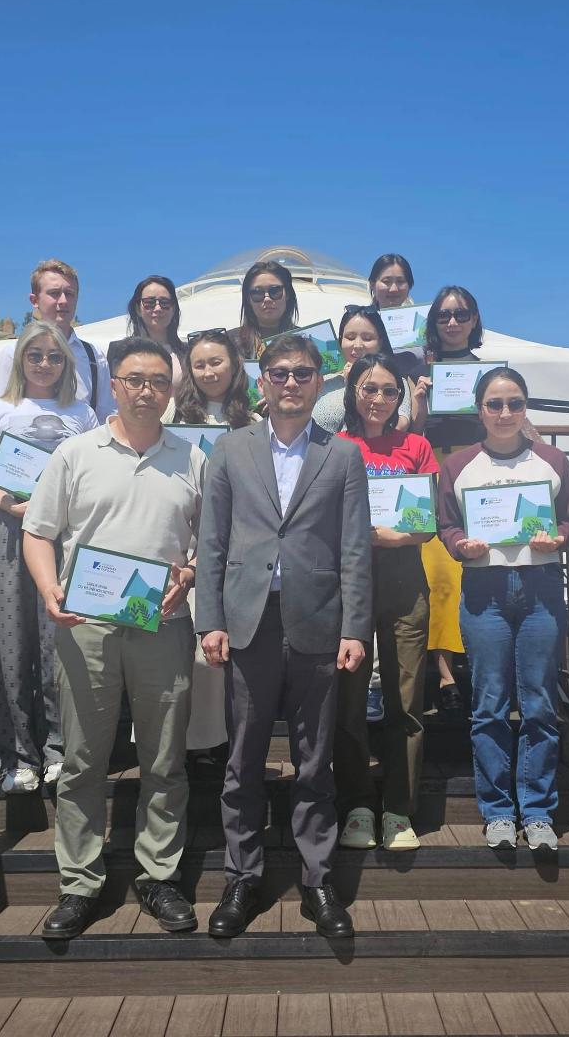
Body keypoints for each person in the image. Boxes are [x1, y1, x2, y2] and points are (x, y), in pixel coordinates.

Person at [22, 337, 205, 939]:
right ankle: (80, 882)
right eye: (135, 380)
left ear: (171, 390)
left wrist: (190, 572)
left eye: (158, 381)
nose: (147, 391)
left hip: (164, 627)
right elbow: (38, 531)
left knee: (165, 759)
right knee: (82, 761)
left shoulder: (193, 459)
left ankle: (159, 875)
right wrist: (49, 588)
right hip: (86, 627)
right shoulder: (75, 454)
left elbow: (212, 542)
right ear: (117, 386)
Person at [195, 333, 372, 939]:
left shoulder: (342, 456)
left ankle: (317, 881)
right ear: (262, 381)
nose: (291, 382)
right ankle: (241, 877)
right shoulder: (230, 449)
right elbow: (212, 542)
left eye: (302, 373)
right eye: (279, 372)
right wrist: (210, 619)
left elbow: (354, 549)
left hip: (319, 620)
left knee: (314, 761)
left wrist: (355, 627)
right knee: (243, 758)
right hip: (249, 621)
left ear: (319, 381)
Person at [436, 367, 569, 852]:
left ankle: (537, 812)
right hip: (484, 588)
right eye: (494, 404)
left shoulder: (552, 460)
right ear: (479, 410)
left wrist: (559, 538)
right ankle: (497, 810)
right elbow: (447, 524)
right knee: (489, 703)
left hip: (540, 587)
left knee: (538, 702)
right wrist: (461, 545)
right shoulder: (459, 465)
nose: (504, 413)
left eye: (515, 403)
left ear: (525, 408)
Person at [0, 322, 98, 794]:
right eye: (36, 355)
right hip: (9, 530)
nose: (45, 364)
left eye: (55, 357)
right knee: (12, 643)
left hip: (63, 535)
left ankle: (59, 749)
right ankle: (19, 755)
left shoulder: (82, 413)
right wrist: (11, 505)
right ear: (21, 360)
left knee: (58, 643)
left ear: (67, 364)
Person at [334, 354, 436, 851]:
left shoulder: (415, 445)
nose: (378, 398)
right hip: (347, 583)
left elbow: (427, 522)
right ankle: (356, 805)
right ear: (352, 390)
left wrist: (396, 538)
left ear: (401, 397)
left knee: (406, 700)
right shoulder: (334, 446)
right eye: (369, 388)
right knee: (349, 699)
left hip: (403, 581)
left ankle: (398, 809)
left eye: (389, 391)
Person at [171, 330, 258, 755]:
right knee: (197, 651)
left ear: (235, 365)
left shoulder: (254, 422)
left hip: (239, 545)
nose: (208, 371)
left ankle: (231, 744)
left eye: (216, 362)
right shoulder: (174, 420)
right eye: (199, 364)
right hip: (190, 541)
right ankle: (198, 746)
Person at [411, 286, 486, 717]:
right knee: (439, 575)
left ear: (474, 319)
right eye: (443, 315)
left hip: (477, 473)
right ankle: (445, 674)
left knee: (474, 571)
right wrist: (419, 401)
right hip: (435, 471)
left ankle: (476, 665)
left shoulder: (489, 373)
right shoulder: (419, 372)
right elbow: (412, 433)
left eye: (460, 314)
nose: (452, 322)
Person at [0, 258, 116, 419]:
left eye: (69, 294)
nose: (63, 301)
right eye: (54, 293)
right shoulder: (13, 353)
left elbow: (106, 417)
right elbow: (2, 413)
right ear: (34, 300)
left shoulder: (94, 357)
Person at [311, 304, 414, 435]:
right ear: (340, 340)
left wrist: (353, 384)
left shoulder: (393, 382)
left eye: (367, 338)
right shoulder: (323, 381)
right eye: (350, 337)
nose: (358, 345)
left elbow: (399, 426)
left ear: (380, 343)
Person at [228, 260, 300, 359]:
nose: (267, 299)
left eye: (275, 291)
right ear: (248, 299)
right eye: (257, 292)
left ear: (287, 294)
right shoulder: (229, 343)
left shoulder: (305, 340)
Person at [125, 274, 186, 386]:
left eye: (165, 303)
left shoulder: (187, 352)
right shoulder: (121, 351)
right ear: (138, 309)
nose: (158, 308)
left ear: (173, 309)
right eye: (149, 303)